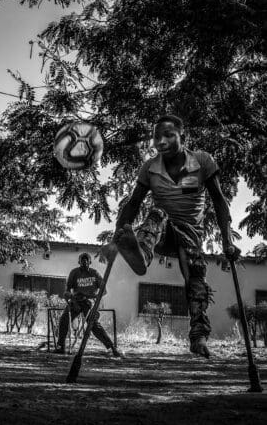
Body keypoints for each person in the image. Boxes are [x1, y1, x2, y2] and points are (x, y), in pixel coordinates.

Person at [101, 114, 240, 358]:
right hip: (161, 233)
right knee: (157, 213)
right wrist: (116, 239)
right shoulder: (150, 168)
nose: (160, 141)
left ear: (182, 136)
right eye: (156, 137)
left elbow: (219, 201)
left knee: (195, 278)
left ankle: (198, 337)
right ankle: (141, 255)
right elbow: (133, 204)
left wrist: (227, 241)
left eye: (168, 135)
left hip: (189, 235)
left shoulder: (202, 161)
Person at [54, 252, 122, 357]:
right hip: (76, 301)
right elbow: (67, 291)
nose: (84, 262)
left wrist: (93, 298)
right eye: (82, 260)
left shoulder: (95, 273)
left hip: (89, 303)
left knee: (94, 325)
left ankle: (112, 348)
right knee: (64, 319)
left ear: (90, 262)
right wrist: (71, 298)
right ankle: (60, 347)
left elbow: (104, 291)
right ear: (79, 262)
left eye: (86, 260)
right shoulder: (74, 273)